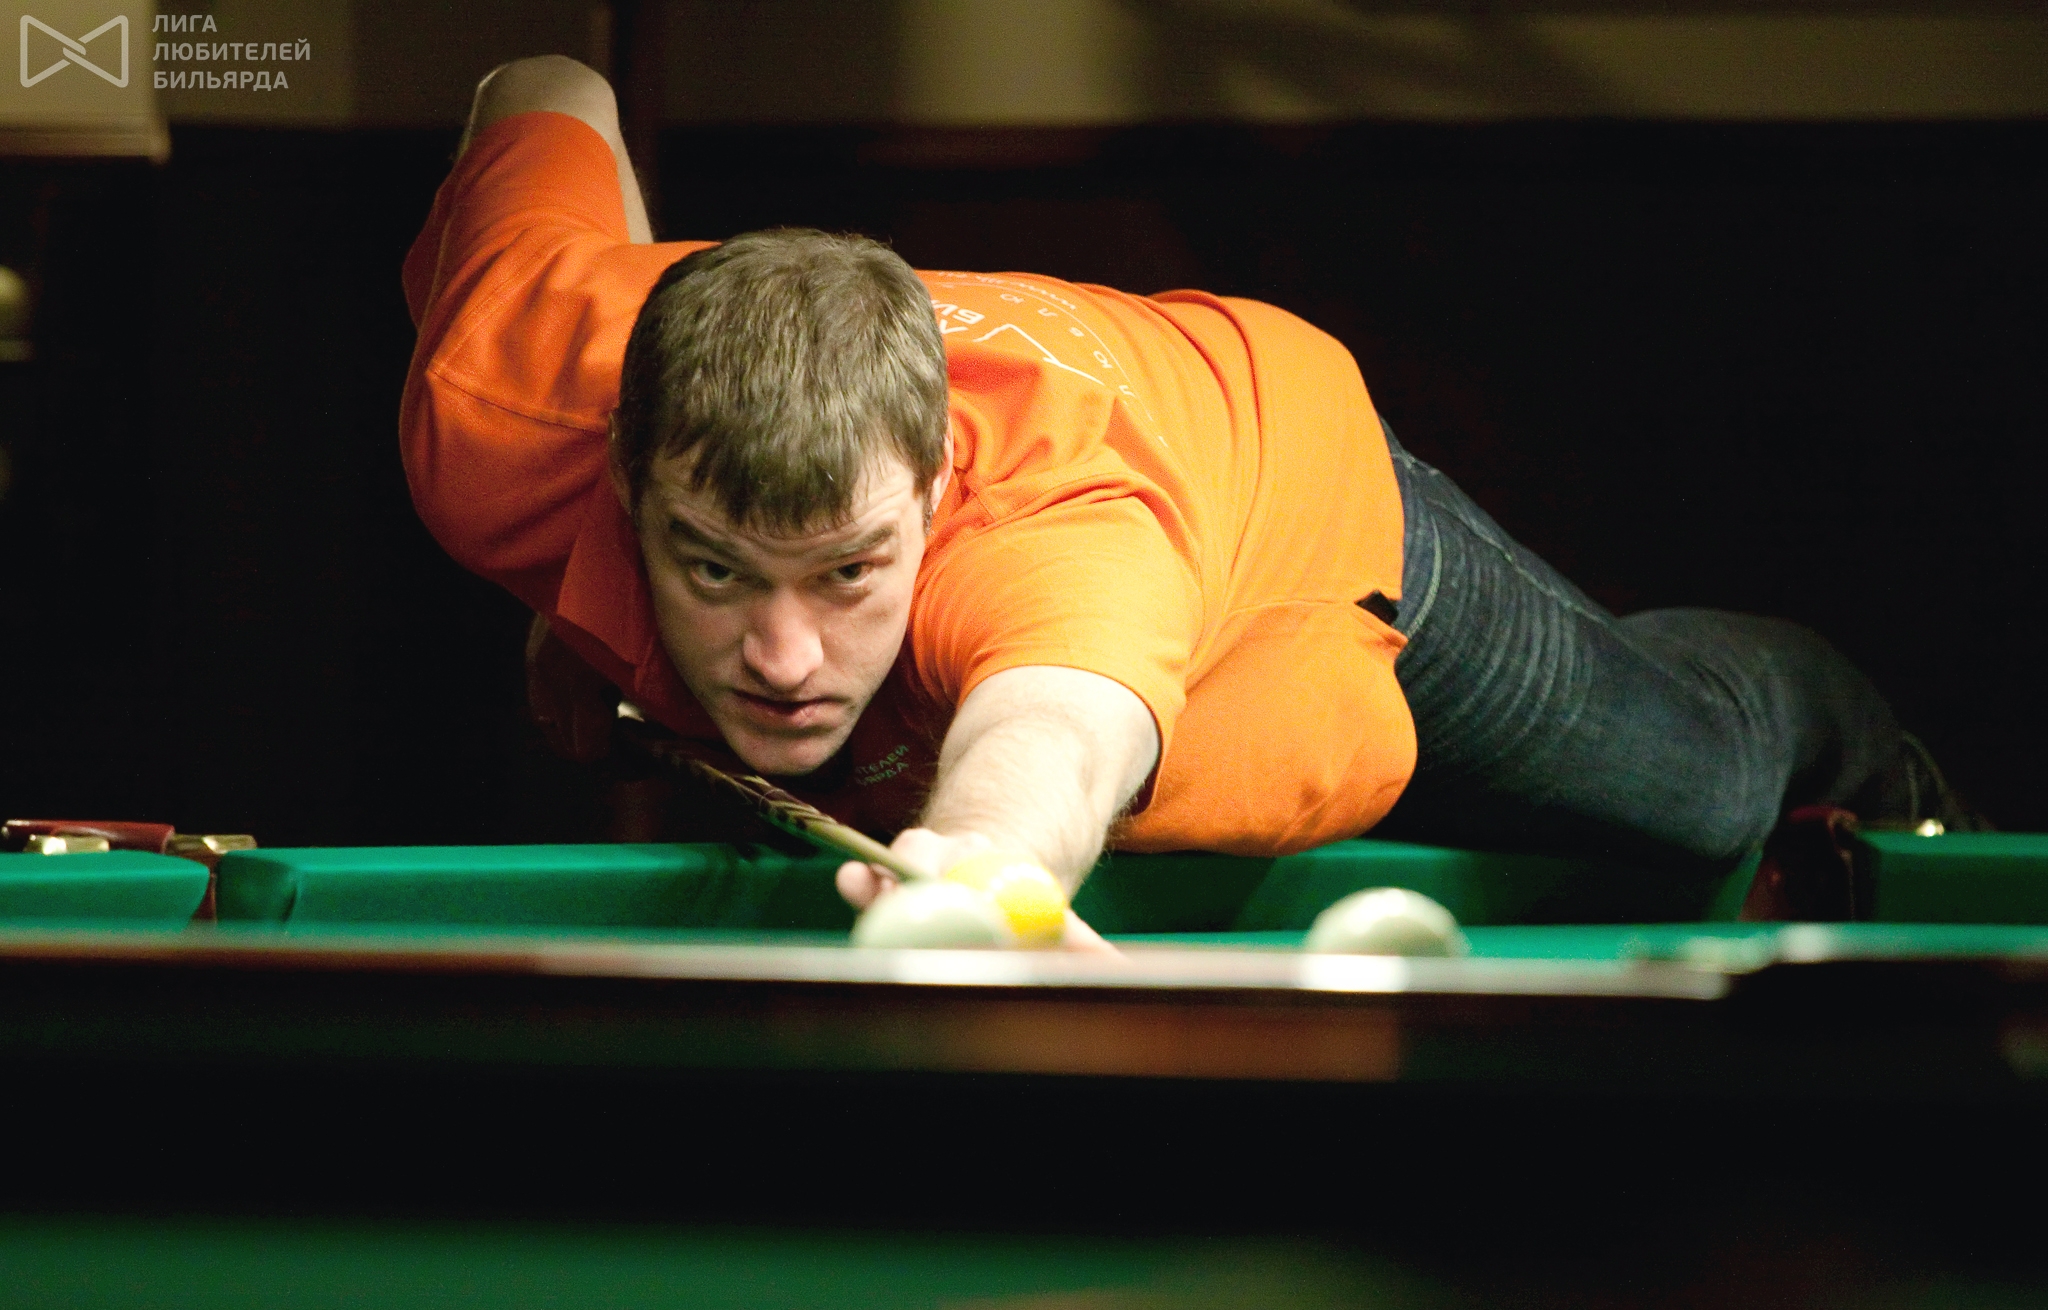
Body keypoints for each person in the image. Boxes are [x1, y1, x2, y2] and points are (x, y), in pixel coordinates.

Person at [402, 57, 1950, 942]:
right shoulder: (503, 398)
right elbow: (549, 84)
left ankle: (1880, 751)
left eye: (850, 572)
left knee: (1702, 792)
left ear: (933, 493)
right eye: (716, 568)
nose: (785, 654)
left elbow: (1052, 743)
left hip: (1286, 482)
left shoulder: (1055, 551)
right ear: (624, 471)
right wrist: (585, 594)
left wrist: (982, 868)